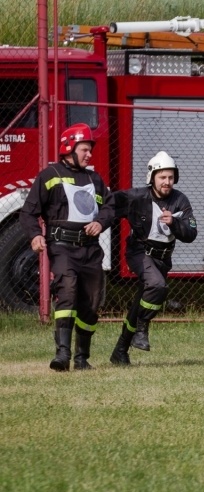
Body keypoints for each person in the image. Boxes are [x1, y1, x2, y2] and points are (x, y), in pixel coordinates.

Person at [19, 123, 116, 371]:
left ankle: (82, 358)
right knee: (68, 290)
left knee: (92, 302)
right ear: (68, 148)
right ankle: (62, 354)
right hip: (62, 247)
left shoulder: (95, 179)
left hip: (90, 249)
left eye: (90, 150)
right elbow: (29, 212)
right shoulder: (49, 176)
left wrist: (100, 222)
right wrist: (35, 236)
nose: (89, 155)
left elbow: (109, 206)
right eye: (85, 149)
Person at [109, 151, 197, 365]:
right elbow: (110, 203)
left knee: (142, 302)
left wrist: (174, 223)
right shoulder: (137, 197)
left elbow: (191, 233)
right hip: (139, 253)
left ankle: (120, 351)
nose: (167, 182)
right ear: (152, 177)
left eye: (170, 177)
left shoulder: (180, 199)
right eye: (162, 177)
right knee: (158, 286)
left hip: (162, 259)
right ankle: (142, 329)